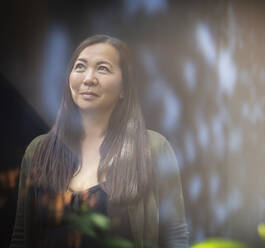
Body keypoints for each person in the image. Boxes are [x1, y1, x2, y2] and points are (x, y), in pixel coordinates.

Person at [9, 34, 188, 248]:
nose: (89, 78)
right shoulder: (39, 150)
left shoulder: (153, 148)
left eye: (103, 68)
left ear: (124, 88)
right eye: (80, 67)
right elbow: (21, 236)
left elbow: (175, 236)